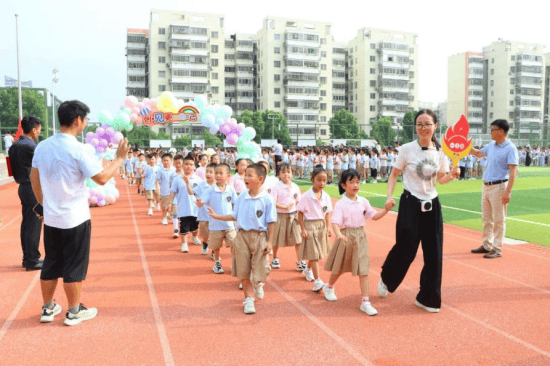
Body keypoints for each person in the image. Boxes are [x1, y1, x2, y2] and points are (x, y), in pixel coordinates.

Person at [30, 100, 129, 325]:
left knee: (51, 263)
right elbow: (102, 178)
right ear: (78, 120)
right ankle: (74, 311)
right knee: (74, 265)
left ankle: (48, 308)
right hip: (75, 218)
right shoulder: (79, 148)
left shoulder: (42, 146)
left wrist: (42, 205)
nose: (84, 124)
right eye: (85, 120)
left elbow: (34, 177)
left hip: (53, 218)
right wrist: (120, 159)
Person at [378, 109, 460, 313]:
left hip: (432, 205)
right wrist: (389, 196)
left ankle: (428, 298)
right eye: (420, 124)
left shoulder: (441, 152)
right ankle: (387, 278)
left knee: (434, 254)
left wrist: (452, 175)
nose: (423, 128)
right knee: (406, 248)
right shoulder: (407, 149)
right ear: (416, 127)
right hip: (410, 203)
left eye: (427, 123)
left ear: (435, 126)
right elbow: (394, 174)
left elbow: (440, 179)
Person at [208, 163, 277, 314]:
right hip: (242, 237)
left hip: (259, 237)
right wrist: (216, 216)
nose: (245, 178)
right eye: (245, 175)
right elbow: (233, 216)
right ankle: (248, 299)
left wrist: (270, 242)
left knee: (262, 269)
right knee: (243, 269)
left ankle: (258, 283)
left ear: (260, 179)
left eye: (249, 175)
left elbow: (271, 222)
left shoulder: (267, 199)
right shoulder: (241, 197)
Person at [323, 169, 391, 315]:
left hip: (360, 236)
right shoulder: (341, 204)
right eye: (351, 182)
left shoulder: (363, 201)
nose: (355, 185)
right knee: (340, 267)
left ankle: (365, 302)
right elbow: (335, 222)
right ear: (343, 185)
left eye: (357, 182)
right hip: (346, 236)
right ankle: (328, 286)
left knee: (363, 269)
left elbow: (374, 216)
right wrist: (339, 234)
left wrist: (385, 210)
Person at [469, 119, 518, 259]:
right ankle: (486, 245)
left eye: (492, 130)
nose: (490, 132)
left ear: (501, 131)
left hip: (499, 186)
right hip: (486, 186)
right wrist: (465, 146)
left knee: (499, 220)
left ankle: (497, 248)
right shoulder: (492, 145)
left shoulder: (510, 148)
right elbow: (478, 153)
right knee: (487, 218)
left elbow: (513, 172)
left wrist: (508, 192)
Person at [8, 116, 43, 271]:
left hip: (22, 186)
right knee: (34, 224)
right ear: (34, 130)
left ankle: (27, 258)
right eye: (39, 130)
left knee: (27, 224)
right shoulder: (31, 147)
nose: (39, 133)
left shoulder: (14, 146)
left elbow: (11, 170)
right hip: (32, 188)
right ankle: (32, 260)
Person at [297, 167, 333, 292]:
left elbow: (328, 213)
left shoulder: (326, 196)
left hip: (321, 225)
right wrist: (302, 228)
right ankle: (318, 281)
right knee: (315, 254)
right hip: (310, 225)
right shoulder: (306, 196)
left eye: (324, 180)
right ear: (312, 180)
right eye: (319, 180)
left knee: (318, 253)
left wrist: (328, 227)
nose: (322, 183)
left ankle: (308, 270)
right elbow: (300, 212)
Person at [198, 163, 237, 274]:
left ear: (228, 176)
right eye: (216, 173)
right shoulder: (210, 190)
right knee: (216, 246)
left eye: (221, 173)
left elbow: (236, 203)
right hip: (215, 225)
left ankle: (235, 262)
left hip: (229, 225)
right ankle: (217, 262)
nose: (218, 175)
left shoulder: (231, 190)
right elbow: (202, 201)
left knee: (234, 245)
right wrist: (199, 203)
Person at [270, 163, 303, 271]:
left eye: (288, 172)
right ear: (279, 174)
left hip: (293, 216)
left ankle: (300, 261)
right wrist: (283, 207)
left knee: (298, 239)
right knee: (276, 238)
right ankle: (275, 257)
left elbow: (298, 201)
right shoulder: (276, 187)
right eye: (283, 172)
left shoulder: (295, 187)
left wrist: (300, 212)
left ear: (292, 174)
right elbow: (272, 202)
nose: (286, 175)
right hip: (279, 216)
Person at [168, 154, 203, 253]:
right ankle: (184, 243)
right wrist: (170, 203)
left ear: (194, 167)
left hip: (195, 208)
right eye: (186, 164)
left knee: (195, 226)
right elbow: (173, 191)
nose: (188, 166)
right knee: (184, 226)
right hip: (183, 207)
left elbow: (202, 193)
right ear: (182, 166)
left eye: (191, 164)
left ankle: (194, 237)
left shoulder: (198, 179)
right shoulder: (178, 179)